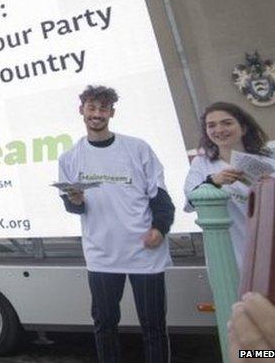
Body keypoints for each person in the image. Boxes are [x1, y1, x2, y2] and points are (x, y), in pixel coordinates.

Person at [57, 85, 175, 363]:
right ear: (82, 111)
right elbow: (74, 208)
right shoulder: (69, 158)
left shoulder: (137, 148)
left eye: (103, 109)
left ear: (112, 112)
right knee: (105, 323)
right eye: (91, 108)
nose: (97, 114)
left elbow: (160, 195)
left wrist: (159, 228)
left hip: (145, 251)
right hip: (102, 255)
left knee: (154, 326)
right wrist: (75, 199)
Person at [183, 101, 275, 270]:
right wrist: (213, 182)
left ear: (243, 128)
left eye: (227, 123)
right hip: (227, 251)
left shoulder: (272, 166)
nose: (219, 130)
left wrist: (270, 188)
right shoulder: (202, 164)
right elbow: (190, 203)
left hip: (271, 250)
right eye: (211, 125)